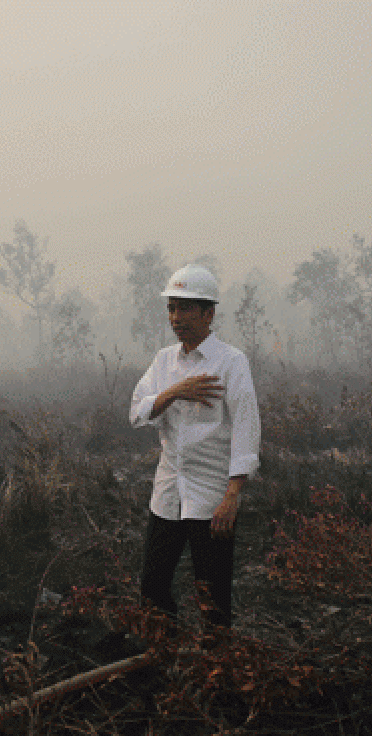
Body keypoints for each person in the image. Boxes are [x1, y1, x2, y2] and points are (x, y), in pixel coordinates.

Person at [130, 264, 261, 628]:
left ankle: (217, 669)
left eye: (186, 308)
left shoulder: (231, 363)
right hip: (168, 492)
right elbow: (137, 412)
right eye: (172, 308)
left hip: (212, 497)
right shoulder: (163, 363)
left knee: (213, 592)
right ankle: (163, 656)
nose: (176, 318)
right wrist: (173, 393)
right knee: (153, 585)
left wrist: (232, 495)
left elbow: (246, 430)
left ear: (208, 313)